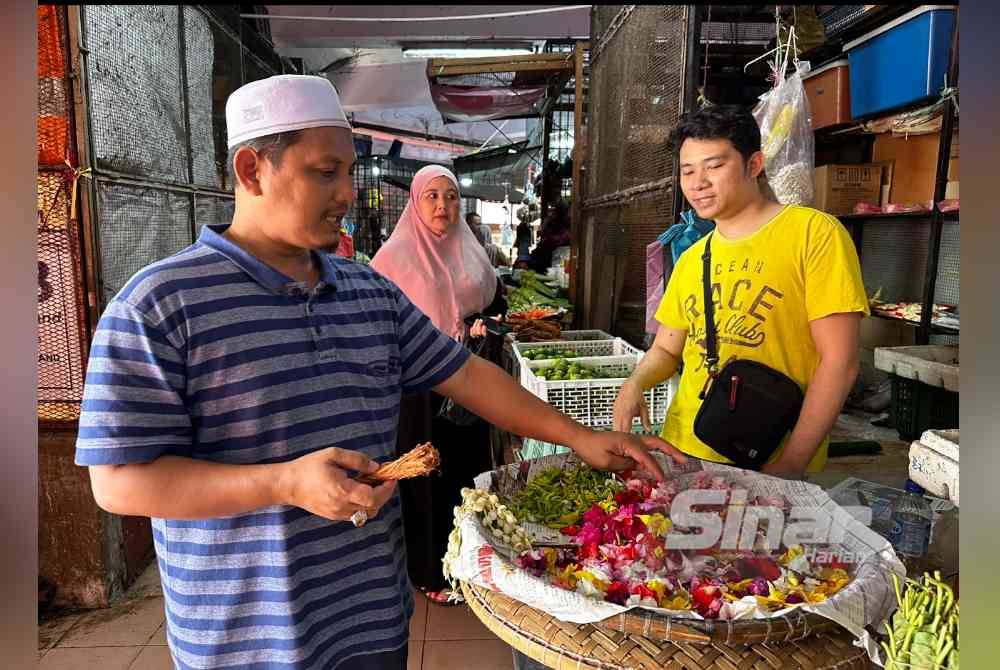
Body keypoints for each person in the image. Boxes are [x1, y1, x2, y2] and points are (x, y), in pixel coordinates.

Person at [75, 74, 685, 670]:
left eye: (347, 170)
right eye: (324, 172)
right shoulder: (159, 305)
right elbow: (121, 483)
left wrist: (582, 437)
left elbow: (466, 376)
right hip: (245, 639)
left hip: (370, 615)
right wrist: (283, 483)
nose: (345, 192)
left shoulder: (368, 291)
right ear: (251, 169)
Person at [613, 105, 868, 479]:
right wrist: (634, 383)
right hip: (686, 446)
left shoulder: (814, 234)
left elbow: (840, 362)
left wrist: (793, 461)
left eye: (714, 166)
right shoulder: (692, 258)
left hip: (768, 452)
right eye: (687, 171)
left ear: (754, 164)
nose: (698, 182)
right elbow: (668, 348)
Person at [371, 166, 509, 604]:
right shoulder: (392, 259)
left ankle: (470, 563)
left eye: (450, 197)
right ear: (415, 202)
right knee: (425, 475)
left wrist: (482, 324)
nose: (442, 206)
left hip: (469, 379)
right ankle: (430, 571)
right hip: (418, 391)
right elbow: (378, 322)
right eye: (431, 197)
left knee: (467, 471)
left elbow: (494, 300)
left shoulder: (471, 251)